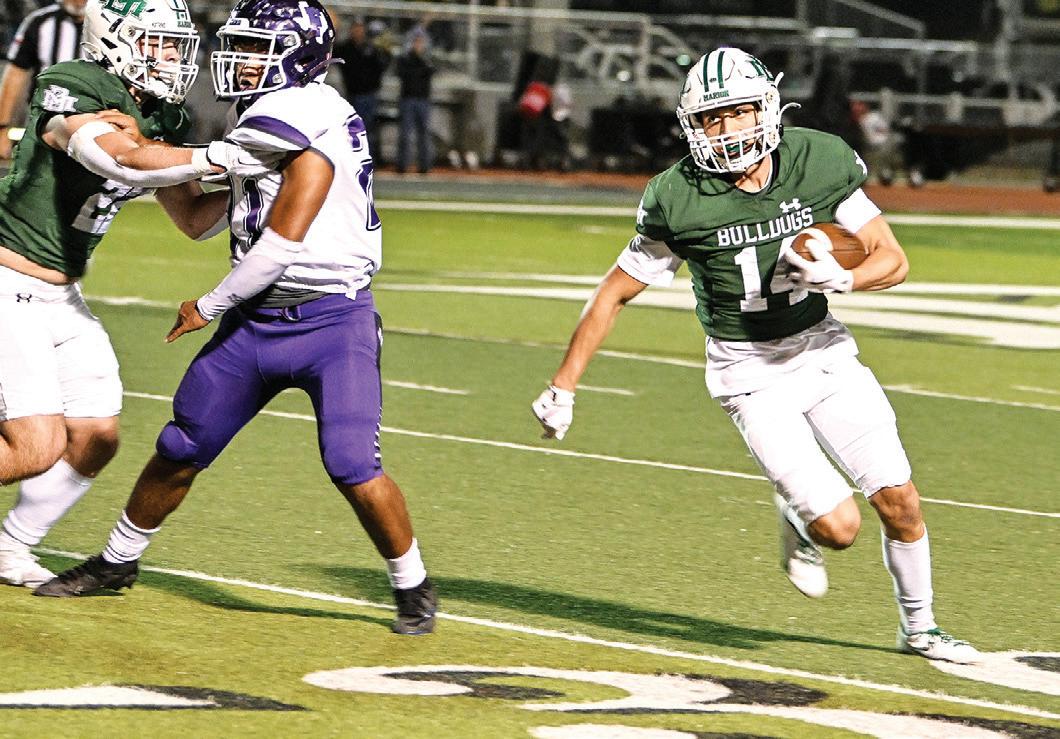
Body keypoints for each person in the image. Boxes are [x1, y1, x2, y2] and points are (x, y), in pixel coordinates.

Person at [531, 47, 980, 664]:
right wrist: (563, 385)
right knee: (840, 530)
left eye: (738, 112)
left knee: (900, 500)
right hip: (748, 371)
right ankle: (800, 518)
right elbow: (614, 293)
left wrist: (844, 279)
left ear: (766, 108)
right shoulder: (677, 196)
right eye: (711, 118)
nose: (727, 130)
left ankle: (920, 627)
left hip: (821, 349)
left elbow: (892, 259)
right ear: (693, 124)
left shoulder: (816, 160)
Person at [36, 0, 439, 637]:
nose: (241, 59)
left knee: (351, 464)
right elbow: (205, 212)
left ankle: (412, 583)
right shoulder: (272, 110)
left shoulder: (298, 113)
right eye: (241, 45)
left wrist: (206, 302)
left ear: (299, 54)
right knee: (181, 445)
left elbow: (279, 246)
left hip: (332, 322)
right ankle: (116, 562)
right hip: (257, 321)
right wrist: (158, 156)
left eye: (257, 48)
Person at [0, 0, 215, 588]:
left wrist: (266, 178)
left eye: (176, 44)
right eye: (158, 42)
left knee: (96, 436)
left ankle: (10, 547)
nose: (171, 57)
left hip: (61, 294)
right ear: (115, 38)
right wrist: (224, 158)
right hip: (8, 280)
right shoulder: (75, 82)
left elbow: (195, 219)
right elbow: (118, 160)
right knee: (37, 445)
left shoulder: (161, 114)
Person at [0, 0, 87, 159]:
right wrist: (3, 127)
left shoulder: (111, 24)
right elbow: (16, 74)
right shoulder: (39, 21)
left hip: (93, 125)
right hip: (43, 124)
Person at [332, 15, 391, 164]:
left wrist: (384, 51)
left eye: (360, 28)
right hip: (353, 94)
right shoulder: (346, 48)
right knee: (353, 129)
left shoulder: (371, 47)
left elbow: (383, 64)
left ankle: (369, 159)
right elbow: (332, 55)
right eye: (355, 28)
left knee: (369, 129)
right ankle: (353, 159)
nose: (358, 31)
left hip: (370, 94)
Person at [394, 25, 434, 174]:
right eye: (416, 41)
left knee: (424, 134)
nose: (418, 45)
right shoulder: (405, 59)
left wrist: (420, 63)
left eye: (420, 42)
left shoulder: (427, 59)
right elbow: (405, 74)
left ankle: (425, 165)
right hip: (408, 99)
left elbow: (429, 72)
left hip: (423, 99)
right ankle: (402, 165)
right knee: (405, 134)